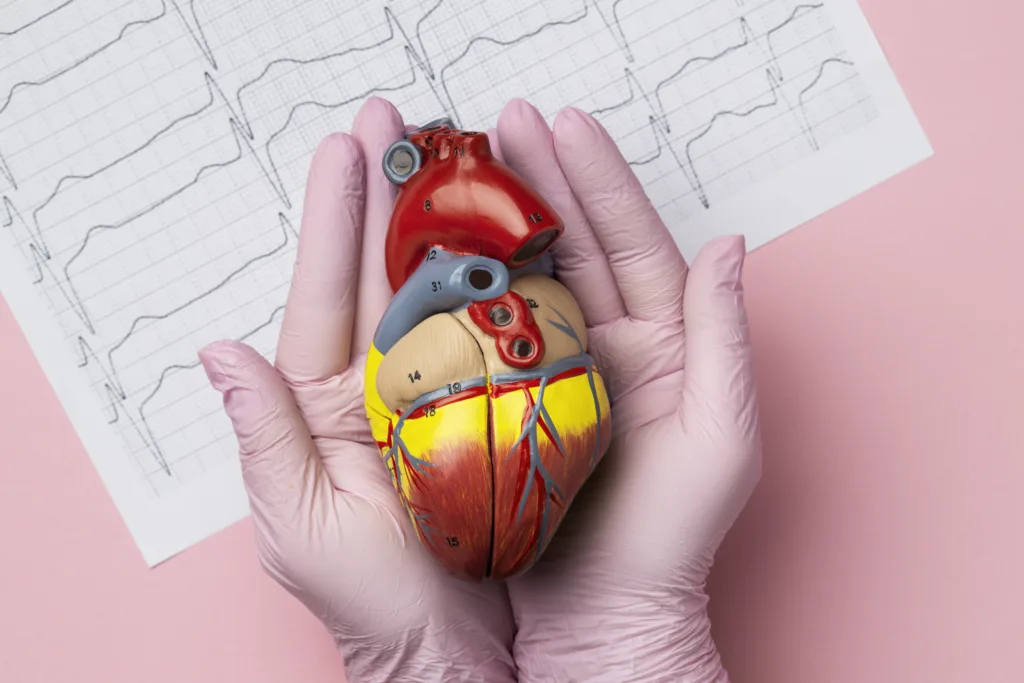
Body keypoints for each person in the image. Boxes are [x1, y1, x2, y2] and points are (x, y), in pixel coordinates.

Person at [198, 96, 762, 682]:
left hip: (506, 418)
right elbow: (392, 366)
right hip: (487, 419)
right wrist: (625, 652)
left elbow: (390, 362)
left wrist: (426, 660)